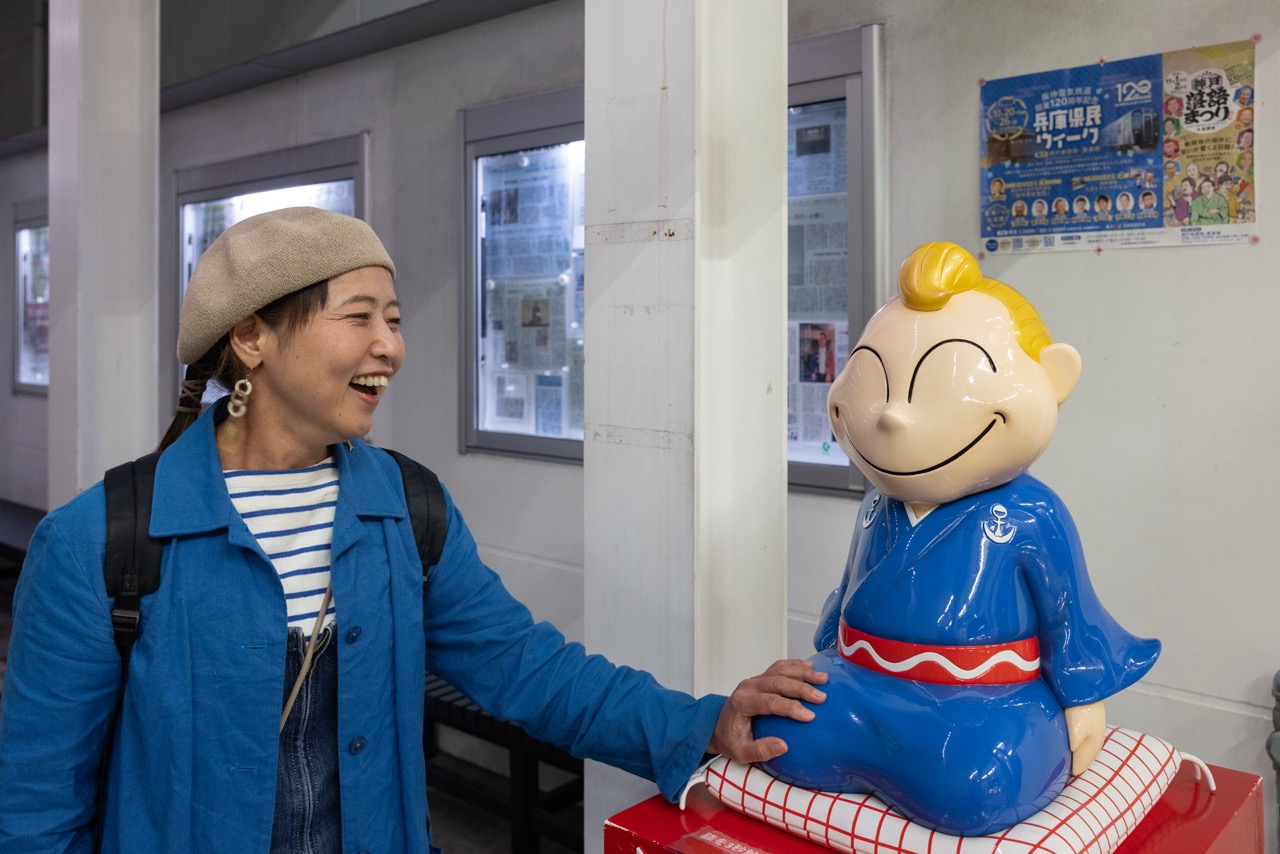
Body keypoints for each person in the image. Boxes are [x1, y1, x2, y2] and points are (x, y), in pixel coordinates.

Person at [0, 207, 826, 853]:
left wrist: (699, 722)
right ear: (250, 336)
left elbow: (528, 669)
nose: (390, 348)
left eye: (393, 320)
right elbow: (38, 805)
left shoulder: (405, 508)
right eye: (359, 317)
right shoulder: (103, 541)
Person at [753, 242, 1159, 836]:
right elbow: (850, 585)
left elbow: (1069, 612)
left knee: (977, 784)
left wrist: (1083, 698)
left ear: (1054, 380)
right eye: (871, 380)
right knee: (781, 730)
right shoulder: (877, 503)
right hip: (862, 678)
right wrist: (824, 648)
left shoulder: (1030, 512)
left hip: (979, 701)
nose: (891, 415)